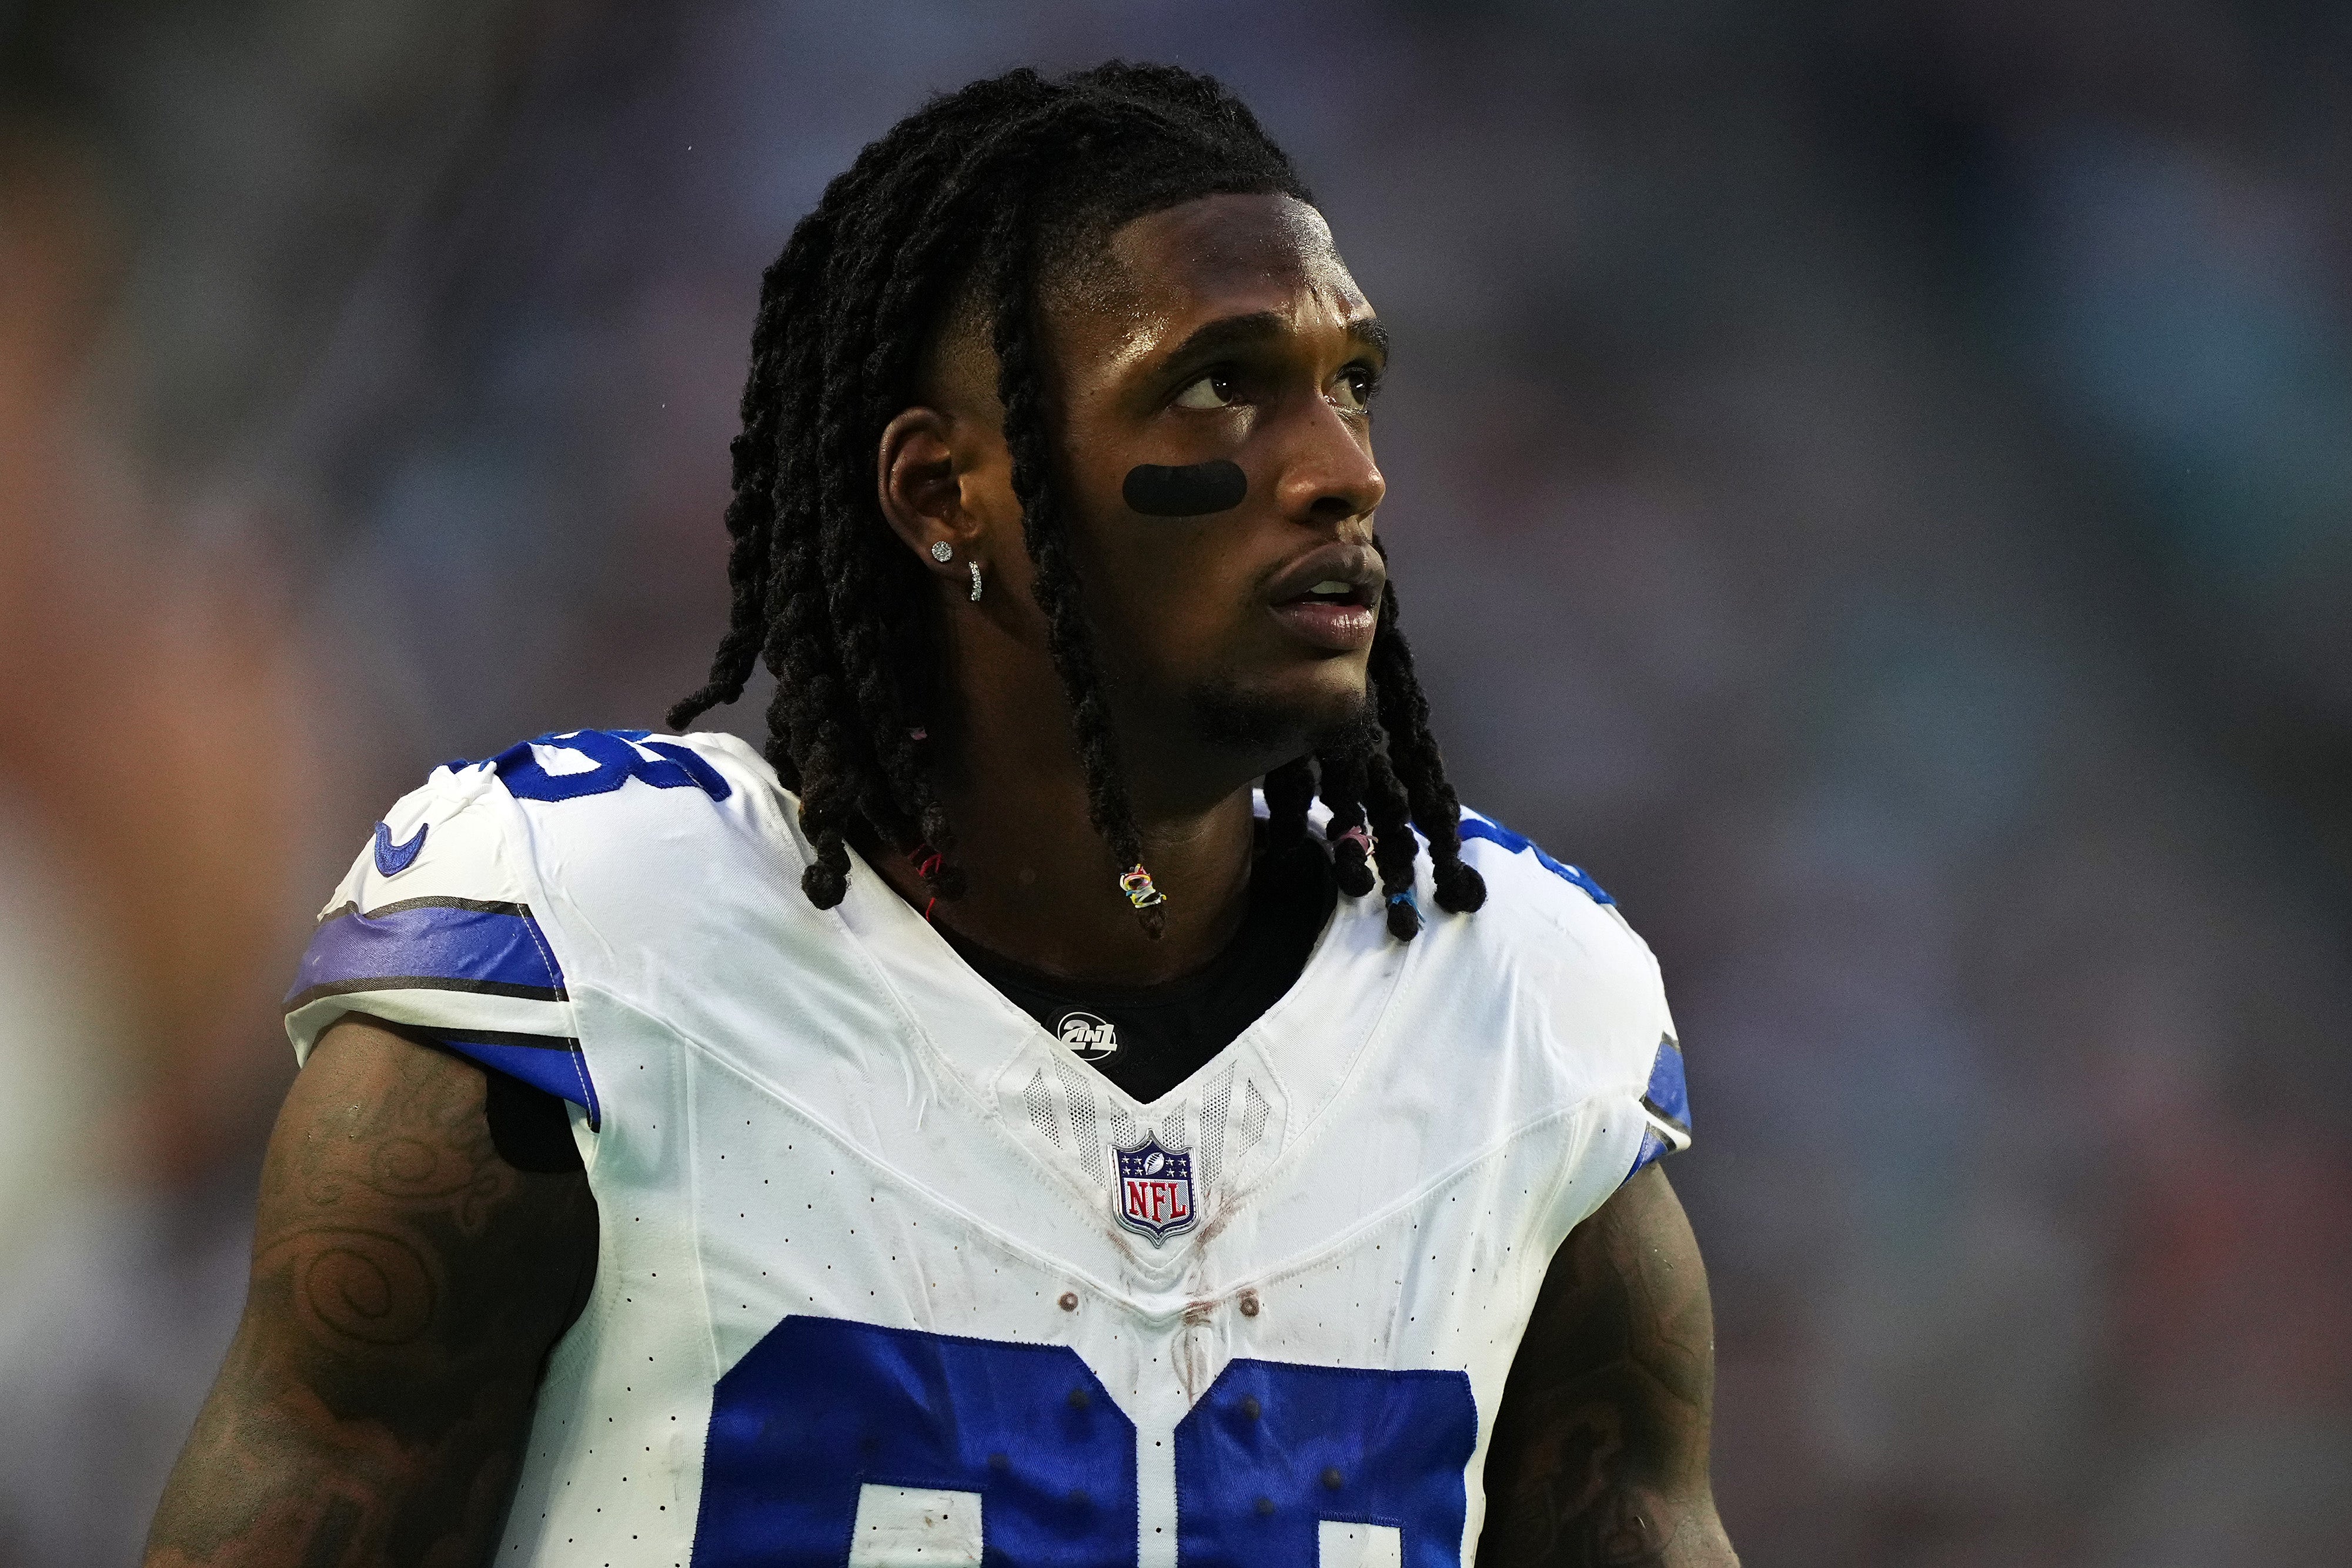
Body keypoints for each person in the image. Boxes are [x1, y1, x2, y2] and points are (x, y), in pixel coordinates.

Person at [144, 62, 1735, 1568]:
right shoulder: (596, 963)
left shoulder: (1517, 1016)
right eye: (1220, 390)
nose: (1343, 473)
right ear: (939, 493)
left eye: (1353, 387)